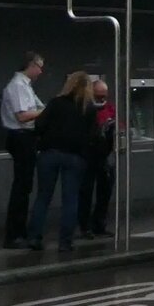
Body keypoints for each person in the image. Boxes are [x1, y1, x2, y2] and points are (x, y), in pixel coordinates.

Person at [28, 71, 97, 252]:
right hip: (75, 157)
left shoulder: (56, 103)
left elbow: (39, 125)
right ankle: (65, 242)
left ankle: (34, 238)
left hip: (49, 154)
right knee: (71, 200)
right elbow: (94, 135)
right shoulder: (88, 108)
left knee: (43, 197)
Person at [0, 52, 44, 249]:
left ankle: (19, 231)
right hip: (21, 136)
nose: (41, 71)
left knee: (24, 186)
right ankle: (14, 234)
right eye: (39, 66)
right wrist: (46, 112)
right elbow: (23, 116)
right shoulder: (18, 86)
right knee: (21, 187)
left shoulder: (25, 86)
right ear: (31, 65)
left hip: (25, 137)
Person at [78, 79, 116, 239]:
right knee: (85, 191)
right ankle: (85, 226)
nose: (102, 99)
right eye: (98, 96)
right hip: (87, 154)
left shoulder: (109, 108)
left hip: (103, 154)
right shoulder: (85, 108)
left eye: (104, 96)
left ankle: (99, 224)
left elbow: (118, 125)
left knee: (104, 191)